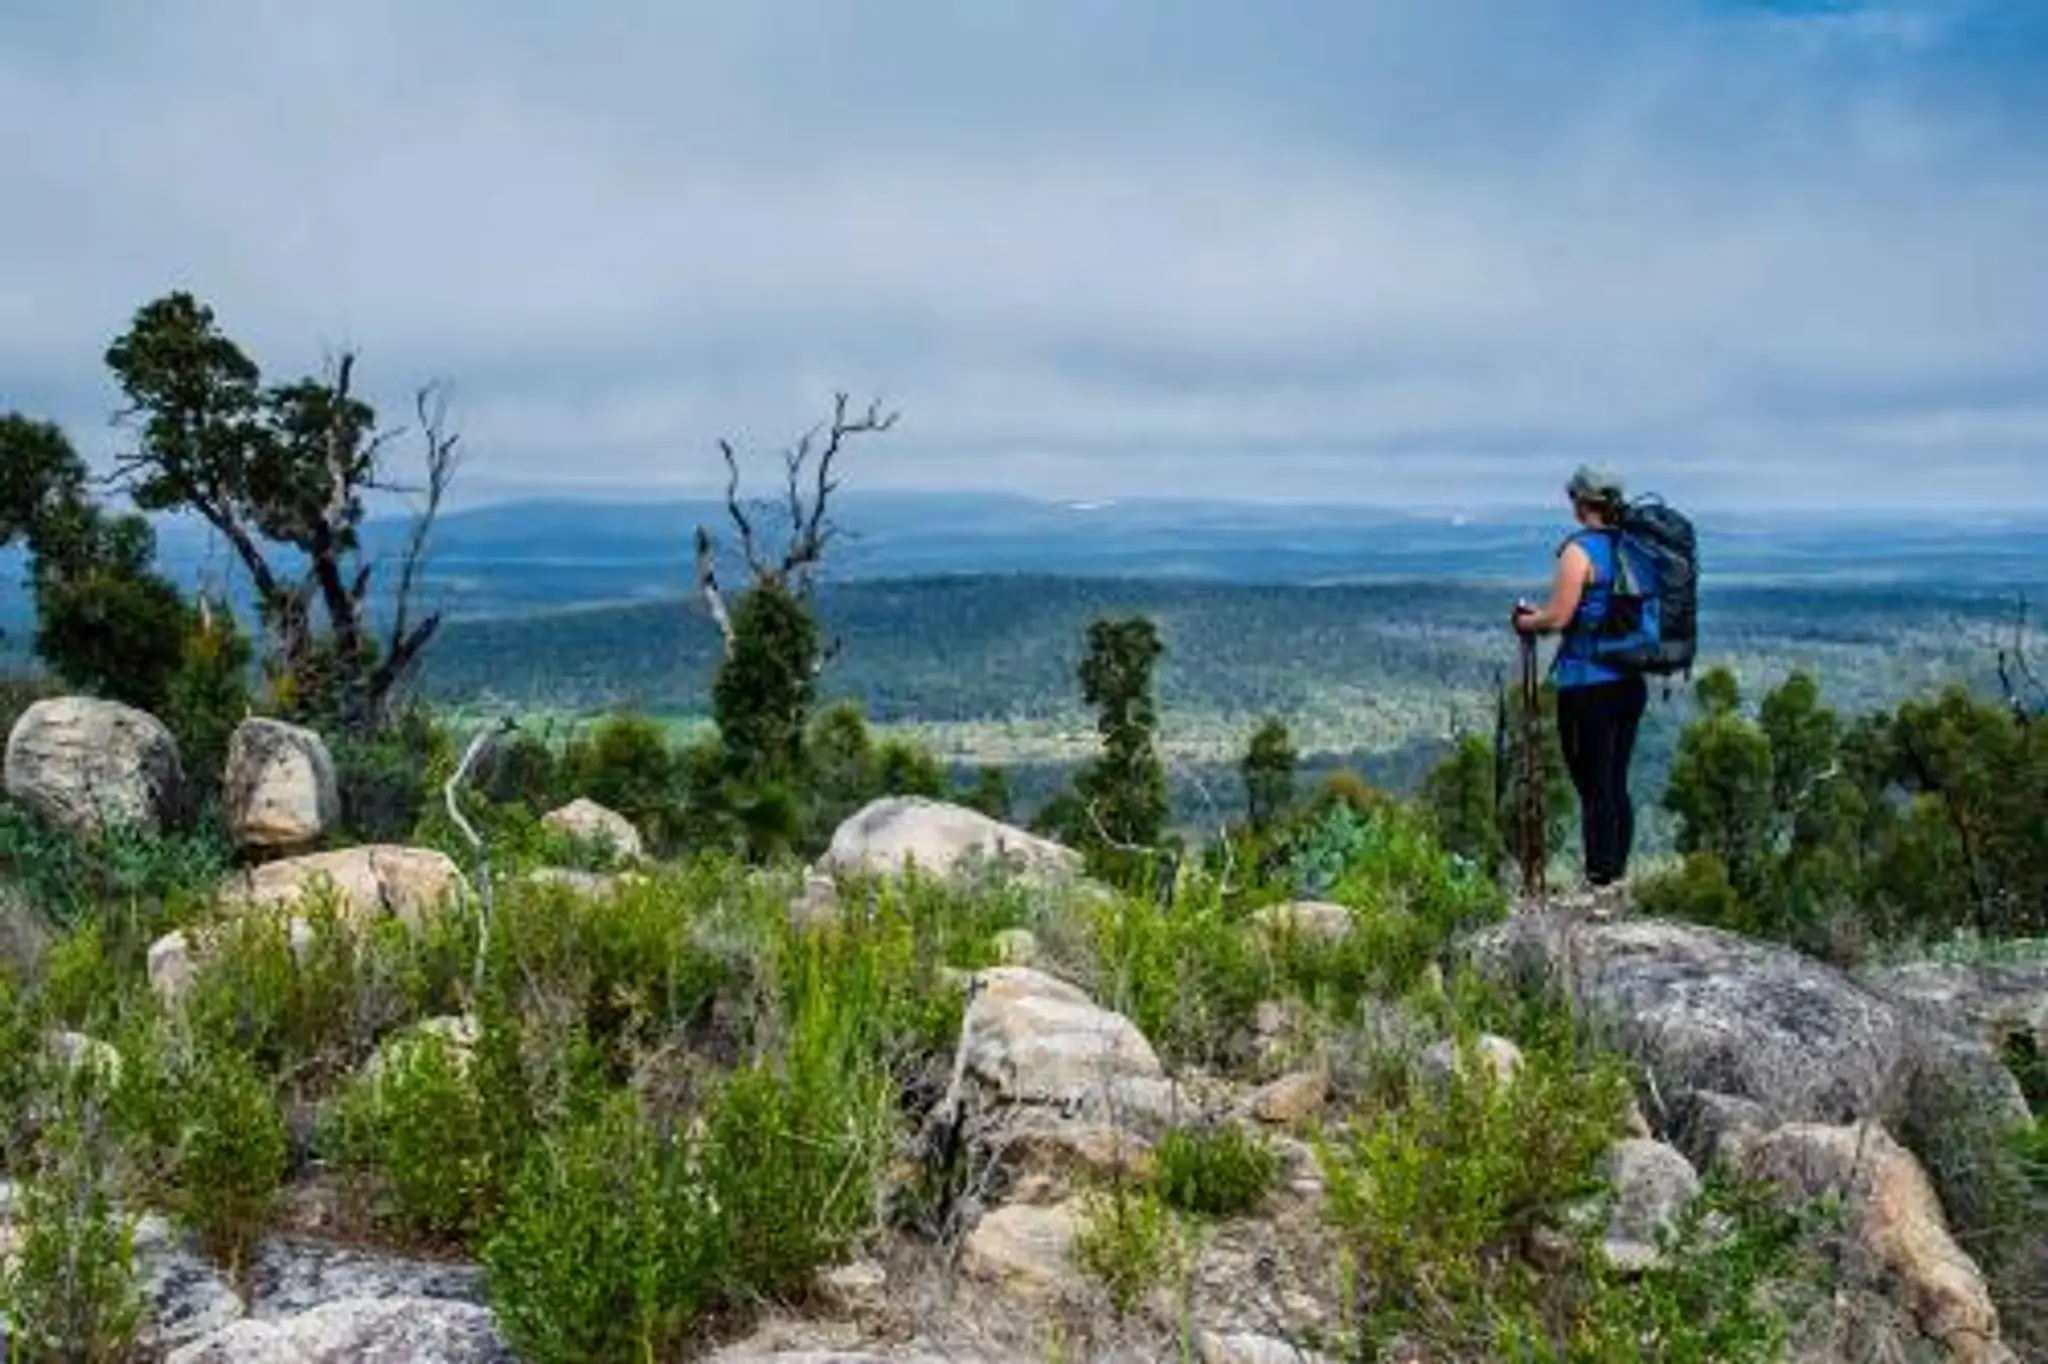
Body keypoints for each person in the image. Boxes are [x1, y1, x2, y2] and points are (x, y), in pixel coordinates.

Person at [1510, 464, 1648, 889]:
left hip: (1588, 685)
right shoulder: (1634, 548)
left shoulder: (1579, 551)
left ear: (1582, 503)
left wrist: (1526, 621)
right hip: (1630, 681)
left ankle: (1600, 877)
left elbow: (1559, 617)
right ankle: (1616, 874)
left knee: (1592, 785)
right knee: (1616, 782)